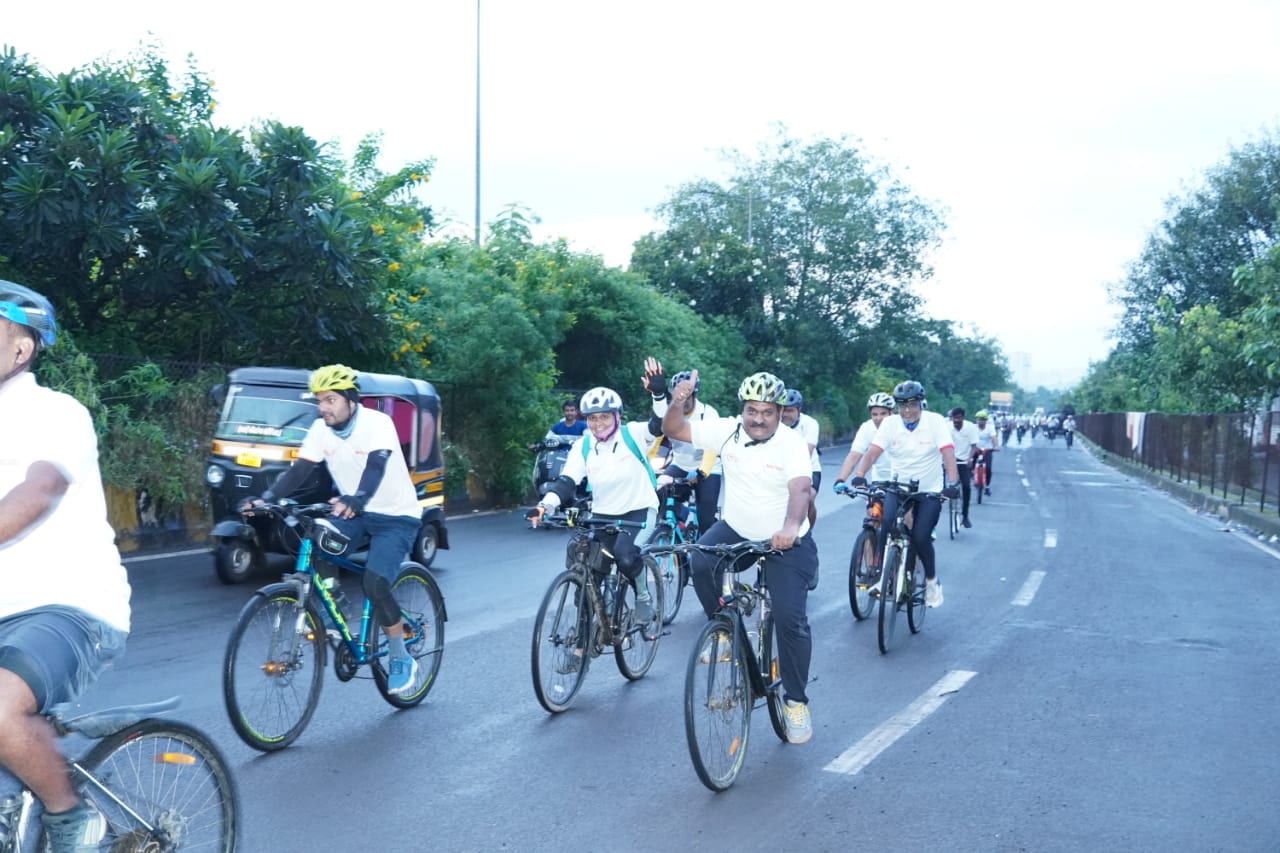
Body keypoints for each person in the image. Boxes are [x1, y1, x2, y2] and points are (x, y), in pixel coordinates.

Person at [0, 281, 131, 852]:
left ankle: (69, 816)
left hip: (70, 606)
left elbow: (40, 489)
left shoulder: (54, 412)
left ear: (20, 349)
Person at [240, 364, 423, 696]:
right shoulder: (320, 430)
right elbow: (298, 471)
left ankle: (400, 656)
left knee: (375, 581)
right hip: (356, 513)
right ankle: (333, 597)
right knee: (316, 535)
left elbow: (376, 466)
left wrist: (358, 497)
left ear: (350, 400)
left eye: (330, 400)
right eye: (319, 401)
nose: (323, 407)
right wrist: (265, 500)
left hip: (396, 516)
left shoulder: (376, 423)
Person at [663, 370, 818, 745]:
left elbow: (801, 489)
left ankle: (796, 701)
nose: (758, 419)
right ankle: (724, 627)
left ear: (780, 412)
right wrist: (678, 400)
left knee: (789, 619)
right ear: (743, 410)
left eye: (767, 411)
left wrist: (789, 526)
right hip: (736, 528)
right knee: (699, 560)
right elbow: (674, 429)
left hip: (785, 539)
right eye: (752, 410)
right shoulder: (727, 430)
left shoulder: (792, 443)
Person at [527, 387, 660, 631]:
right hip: (602, 514)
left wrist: (659, 395)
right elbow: (567, 482)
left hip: (639, 511)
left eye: (604, 416)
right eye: (592, 417)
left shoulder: (633, 434)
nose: (598, 423)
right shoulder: (584, 446)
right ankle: (581, 646)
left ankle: (643, 596)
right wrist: (545, 506)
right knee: (587, 573)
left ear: (617, 416)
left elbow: (658, 424)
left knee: (626, 556)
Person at [846, 380, 959, 608]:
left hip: (929, 491)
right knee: (885, 521)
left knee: (920, 536)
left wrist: (953, 483)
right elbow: (872, 452)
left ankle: (931, 581)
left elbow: (948, 454)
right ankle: (880, 575)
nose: (907, 411)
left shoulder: (935, 422)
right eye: (902, 406)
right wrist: (859, 474)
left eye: (912, 405)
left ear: (920, 403)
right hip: (898, 487)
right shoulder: (890, 424)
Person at [642, 359, 722, 531]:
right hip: (680, 464)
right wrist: (645, 464)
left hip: (708, 467)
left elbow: (711, 449)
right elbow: (656, 441)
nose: (682, 400)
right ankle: (679, 521)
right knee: (657, 493)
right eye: (678, 395)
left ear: (694, 395)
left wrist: (701, 474)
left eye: (687, 397)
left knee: (705, 518)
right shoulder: (670, 412)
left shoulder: (708, 413)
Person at [834, 393, 896, 488]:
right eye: (874, 414)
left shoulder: (900, 426)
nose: (878, 418)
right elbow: (854, 455)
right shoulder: (867, 427)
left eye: (883, 414)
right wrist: (840, 480)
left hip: (903, 480)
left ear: (891, 413)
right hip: (880, 481)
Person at [780, 389, 822, 530]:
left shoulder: (810, 424)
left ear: (799, 410)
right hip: (780, 469)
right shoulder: (773, 425)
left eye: (790, 411)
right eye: (782, 410)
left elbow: (807, 452)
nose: (785, 415)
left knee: (807, 498)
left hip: (809, 469)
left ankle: (808, 532)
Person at [947, 406, 980, 528]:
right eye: (954, 418)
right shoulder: (947, 428)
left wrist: (970, 459)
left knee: (966, 486)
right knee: (943, 485)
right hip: (950, 459)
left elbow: (974, 446)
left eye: (958, 418)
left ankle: (965, 516)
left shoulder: (970, 428)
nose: (956, 421)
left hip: (964, 461)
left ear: (963, 418)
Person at [973, 410, 1000, 496]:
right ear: (976, 420)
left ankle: (987, 486)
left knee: (988, 468)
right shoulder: (973, 427)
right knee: (970, 464)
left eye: (983, 419)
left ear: (986, 420)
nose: (980, 421)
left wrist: (996, 446)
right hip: (975, 449)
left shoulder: (990, 427)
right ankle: (973, 476)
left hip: (987, 449)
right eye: (979, 419)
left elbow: (994, 437)